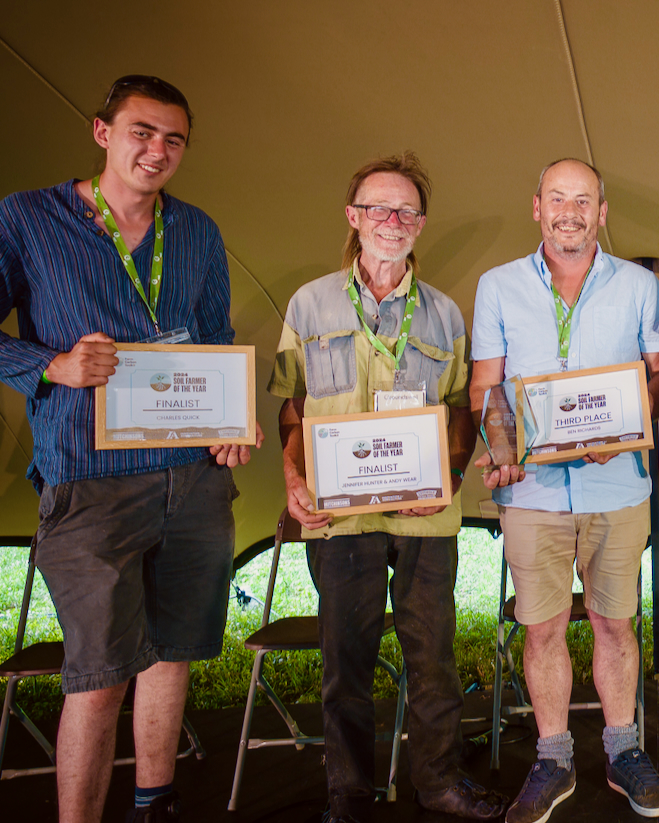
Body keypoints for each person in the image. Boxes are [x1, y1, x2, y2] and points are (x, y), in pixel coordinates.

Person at [0, 75, 262, 823]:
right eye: (142, 131)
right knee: (99, 672)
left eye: (174, 138)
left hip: (191, 477)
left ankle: (156, 801)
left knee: (173, 651)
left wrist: (230, 421)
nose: (157, 150)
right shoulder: (26, 219)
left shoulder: (197, 231)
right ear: (101, 131)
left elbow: (215, 343)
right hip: (90, 479)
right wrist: (48, 364)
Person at [268, 152, 506, 823]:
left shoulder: (446, 316)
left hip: (425, 520)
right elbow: (291, 406)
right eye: (379, 207)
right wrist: (293, 477)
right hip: (340, 523)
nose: (392, 221)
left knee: (433, 660)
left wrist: (451, 479)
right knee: (346, 667)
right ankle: (348, 795)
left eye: (405, 210)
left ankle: (439, 783)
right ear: (354, 217)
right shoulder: (309, 304)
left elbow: (463, 410)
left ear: (421, 224)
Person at [470, 158, 659, 823]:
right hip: (530, 495)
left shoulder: (642, 286)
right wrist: (502, 449)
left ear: (602, 212)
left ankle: (623, 749)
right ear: (536, 207)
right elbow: (487, 387)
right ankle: (554, 756)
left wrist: (629, 426)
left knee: (616, 623)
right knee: (544, 627)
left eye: (583, 200)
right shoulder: (497, 286)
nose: (570, 211)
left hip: (617, 486)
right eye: (557, 198)